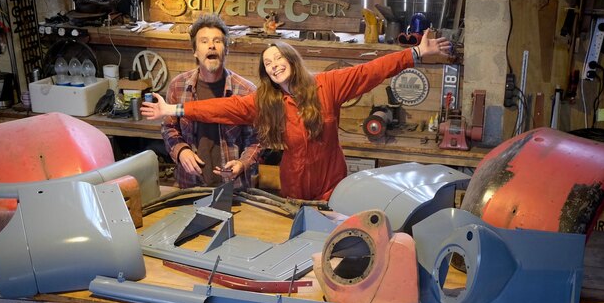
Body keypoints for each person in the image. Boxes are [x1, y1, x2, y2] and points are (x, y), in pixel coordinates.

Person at [142, 33, 453, 201]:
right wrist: (174, 109)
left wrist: (414, 54)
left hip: (332, 187)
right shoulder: (266, 101)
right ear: (266, 73)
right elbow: (224, 109)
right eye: (268, 63)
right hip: (293, 192)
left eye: (279, 57)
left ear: (291, 58)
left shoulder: (326, 85)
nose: (275, 64)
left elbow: (369, 72)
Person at [162, 13, 260, 189]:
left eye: (217, 41)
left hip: (233, 187)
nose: (212, 46)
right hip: (190, 185)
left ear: (226, 50)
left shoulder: (246, 91)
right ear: (195, 51)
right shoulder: (178, 86)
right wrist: (181, 151)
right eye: (204, 41)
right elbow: (169, 128)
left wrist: (243, 164)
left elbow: (257, 139)